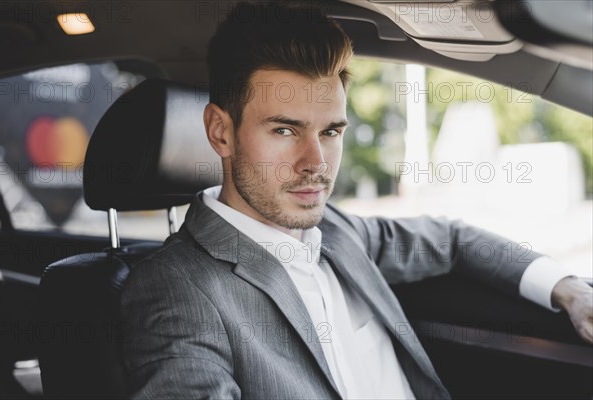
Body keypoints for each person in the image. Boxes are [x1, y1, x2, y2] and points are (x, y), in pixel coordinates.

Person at [120, 3, 593, 399]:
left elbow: (449, 240)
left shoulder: (341, 233)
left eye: (330, 132)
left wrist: (566, 287)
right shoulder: (176, 287)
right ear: (221, 132)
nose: (316, 162)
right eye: (285, 130)